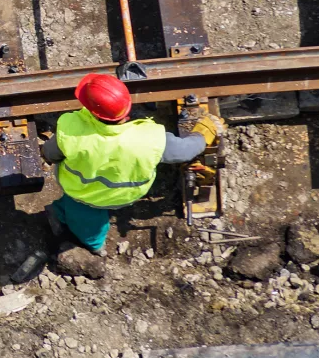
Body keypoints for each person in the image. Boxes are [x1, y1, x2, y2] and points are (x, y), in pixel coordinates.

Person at [42, 73, 223, 260]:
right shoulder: (150, 138)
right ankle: (66, 217)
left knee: (86, 222)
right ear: (127, 108)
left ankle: (92, 245)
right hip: (126, 195)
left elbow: (50, 153)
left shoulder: (71, 130)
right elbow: (185, 151)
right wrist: (202, 135)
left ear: (92, 111)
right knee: (82, 211)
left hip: (80, 193)